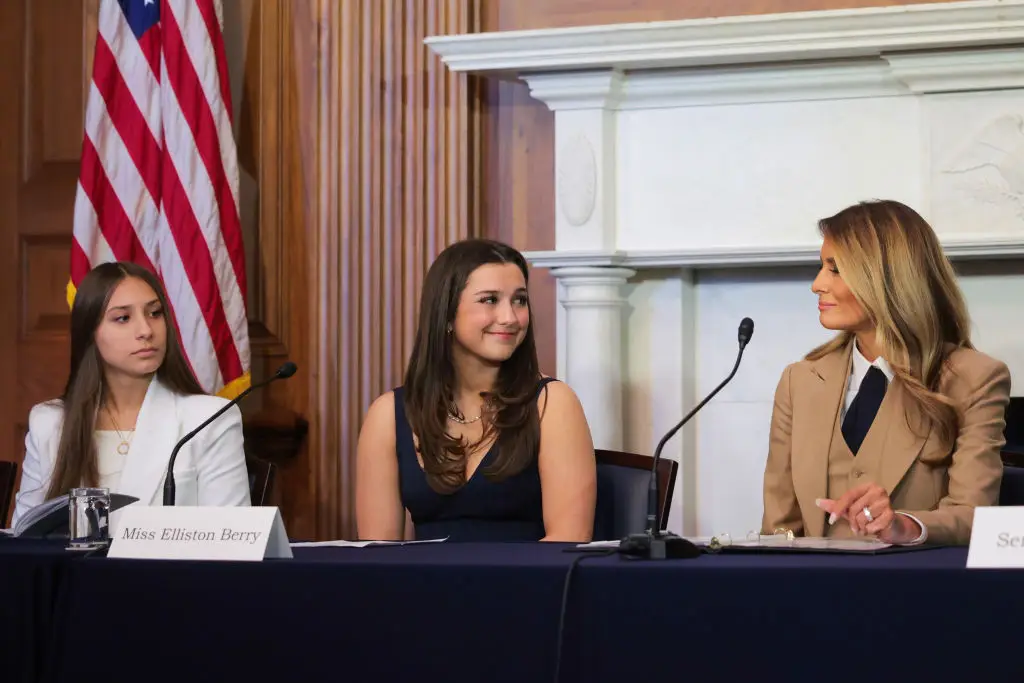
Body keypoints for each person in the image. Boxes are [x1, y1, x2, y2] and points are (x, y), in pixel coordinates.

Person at [761, 200, 1011, 546]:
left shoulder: (975, 379)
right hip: (810, 593)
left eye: (835, 269)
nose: (817, 284)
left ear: (886, 277)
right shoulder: (798, 382)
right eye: (821, 267)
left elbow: (975, 515)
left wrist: (904, 525)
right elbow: (778, 529)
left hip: (914, 592)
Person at [355, 238, 597, 542]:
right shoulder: (388, 414)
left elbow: (568, 540)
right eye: (490, 300)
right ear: (446, 314)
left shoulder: (553, 403)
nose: (510, 317)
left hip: (528, 585)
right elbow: (378, 553)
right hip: (424, 587)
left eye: (519, 300)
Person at [11, 262, 250, 529]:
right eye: (123, 318)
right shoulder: (49, 422)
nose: (146, 331)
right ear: (90, 333)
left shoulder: (210, 418)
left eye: (155, 313)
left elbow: (231, 540)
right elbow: (23, 541)